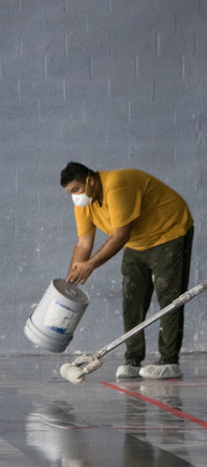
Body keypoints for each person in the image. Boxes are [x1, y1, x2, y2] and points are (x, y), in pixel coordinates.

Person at [60, 162, 193, 380]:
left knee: (169, 298)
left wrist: (91, 265)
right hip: (138, 243)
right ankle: (133, 360)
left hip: (170, 232)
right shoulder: (84, 204)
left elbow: (120, 236)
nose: (75, 196)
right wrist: (71, 278)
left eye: (76, 190)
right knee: (132, 300)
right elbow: (83, 243)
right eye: (70, 193)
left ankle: (170, 361)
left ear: (90, 181)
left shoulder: (116, 186)